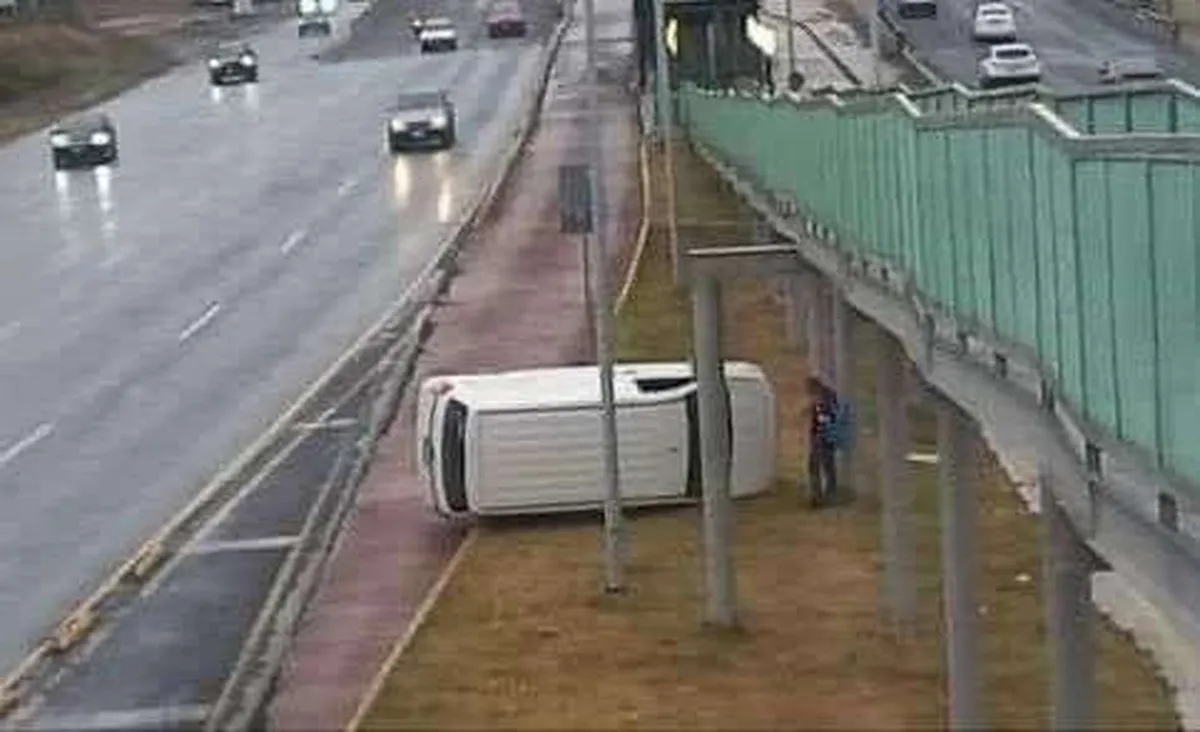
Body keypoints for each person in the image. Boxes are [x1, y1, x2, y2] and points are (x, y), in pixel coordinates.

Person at [805, 376, 839, 508]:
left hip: (824, 437)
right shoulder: (822, 397)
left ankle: (824, 497)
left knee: (824, 467)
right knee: (819, 466)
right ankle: (819, 496)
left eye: (810, 390)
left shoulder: (826, 398)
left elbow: (828, 417)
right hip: (820, 437)